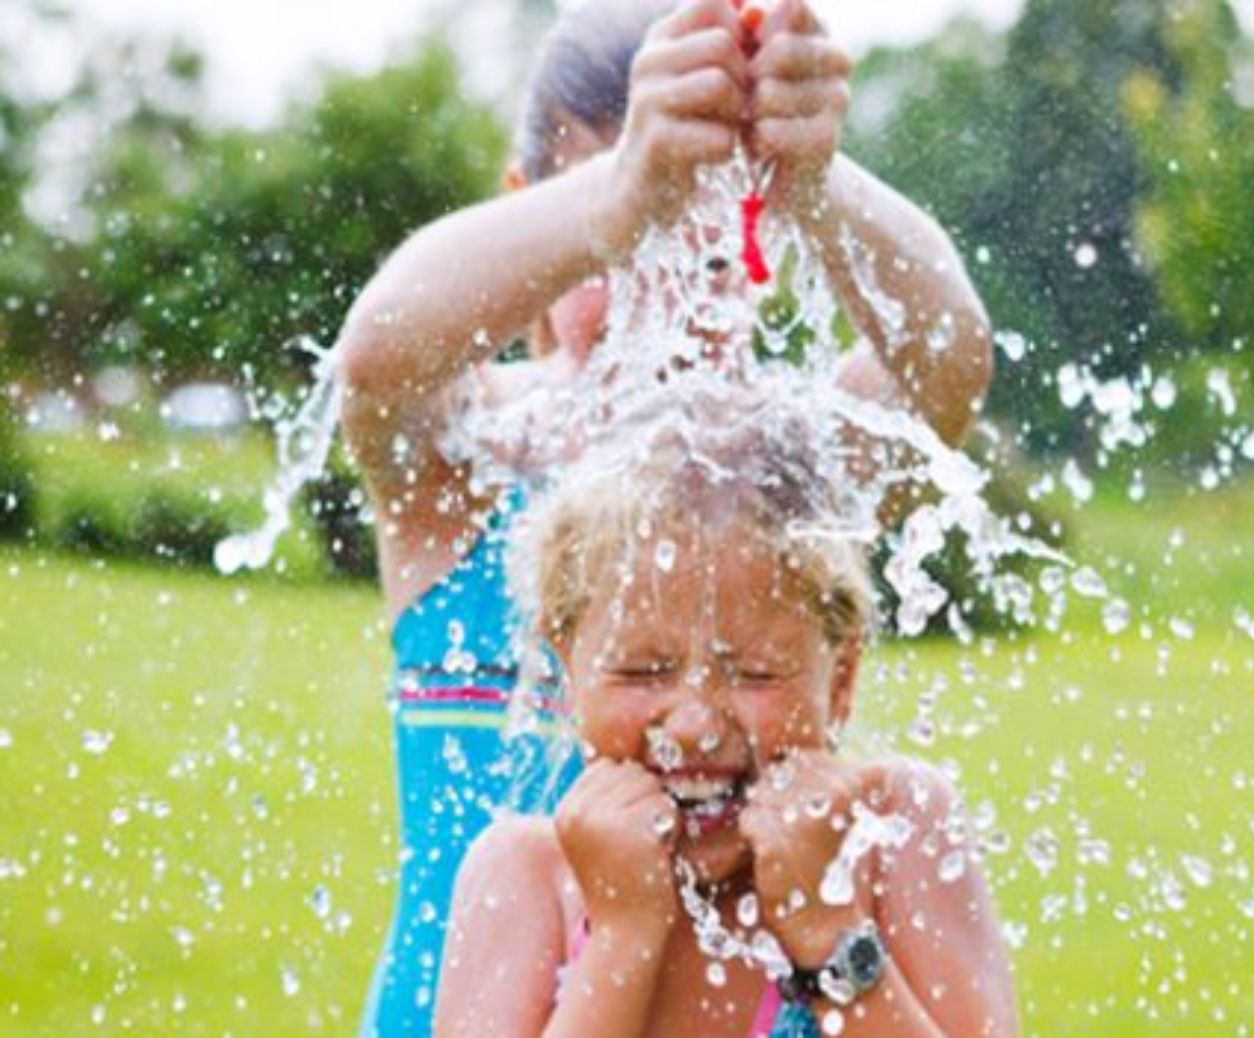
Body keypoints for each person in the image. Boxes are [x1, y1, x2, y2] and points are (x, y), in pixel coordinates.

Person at [333, 0, 994, 1030]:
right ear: (534, 219)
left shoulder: (788, 481)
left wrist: (816, 181)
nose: (656, 288)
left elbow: (947, 364)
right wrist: (627, 186)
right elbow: (376, 356)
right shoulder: (469, 468)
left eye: (697, 238)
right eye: (618, 241)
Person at [435, 396, 1020, 1037]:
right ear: (568, 670)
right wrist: (623, 935)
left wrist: (828, 932)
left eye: (755, 673)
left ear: (842, 680)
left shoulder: (893, 835)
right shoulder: (525, 877)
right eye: (640, 671)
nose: (694, 725)